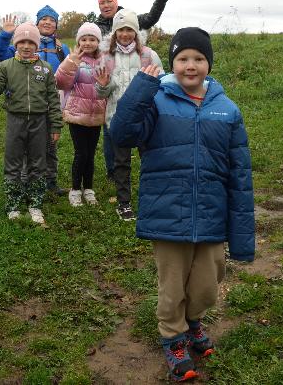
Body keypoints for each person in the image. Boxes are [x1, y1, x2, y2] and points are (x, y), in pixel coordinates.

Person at [109, 27, 255, 381]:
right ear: (172, 63)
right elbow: (122, 133)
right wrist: (142, 87)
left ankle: (194, 321)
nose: (191, 65)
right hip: (167, 213)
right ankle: (173, 337)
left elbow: (239, 173)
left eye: (199, 58)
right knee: (172, 285)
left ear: (209, 63)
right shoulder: (156, 99)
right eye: (183, 58)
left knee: (206, 284)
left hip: (211, 214)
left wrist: (242, 235)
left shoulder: (227, 110)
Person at [94, 0, 182, 179]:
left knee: (146, 143)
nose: (106, 5)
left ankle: (151, 175)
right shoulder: (96, 27)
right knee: (112, 140)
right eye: (102, 2)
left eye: (109, 1)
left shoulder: (134, 23)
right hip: (114, 103)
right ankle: (113, 173)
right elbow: (88, 46)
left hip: (141, 106)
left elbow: (151, 17)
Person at [0, 22, 62, 226]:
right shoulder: (6, 66)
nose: (26, 46)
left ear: (36, 45)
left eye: (31, 42)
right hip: (15, 120)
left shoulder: (45, 69)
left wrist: (55, 126)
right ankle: (13, 206)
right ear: (16, 44)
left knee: (38, 163)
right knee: (13, 163)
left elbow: (53, 100)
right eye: (22, 42)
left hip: (39, 122)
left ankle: (35, 205)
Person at [94, 9, 163, 221]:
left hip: (144, 118)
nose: (125, 34)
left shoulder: (148, 55)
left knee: (149, 159)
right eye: (121, 30)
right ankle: (124, 204)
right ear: (115, 32)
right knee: (121, 162)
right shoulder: (106, 56)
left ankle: (152, 199)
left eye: (129, 29)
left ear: (136, 31)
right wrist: (103, 85)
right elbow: (101, 93)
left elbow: (160, 84)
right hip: (117, 118)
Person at [0, 7, 70, 196]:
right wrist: (5, 34)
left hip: (52, 102)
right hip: (26, 105)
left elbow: (69, 75)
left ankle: (50, 182)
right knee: (28, 147)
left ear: (56, 25)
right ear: (37, 22)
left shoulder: (62, 48)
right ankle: (26, 182)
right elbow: (1, 54)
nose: (47, 22)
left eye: (52, 20)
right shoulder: (23, 43)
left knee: (50, 145)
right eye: (44, 19)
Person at [54, 23, 107, 207]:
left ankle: (89, 189)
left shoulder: (104, 60)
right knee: (81, 153)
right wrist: (71, 62)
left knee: (90, 154)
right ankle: (75, 189)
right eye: (84, 39)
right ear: (78, 41)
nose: (87, 43)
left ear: (98, 42)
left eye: (92, 39)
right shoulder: (74, 59)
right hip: (77, 114)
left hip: (96, 114)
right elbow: (61, 83)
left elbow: (107, 87)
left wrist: (104, 84)